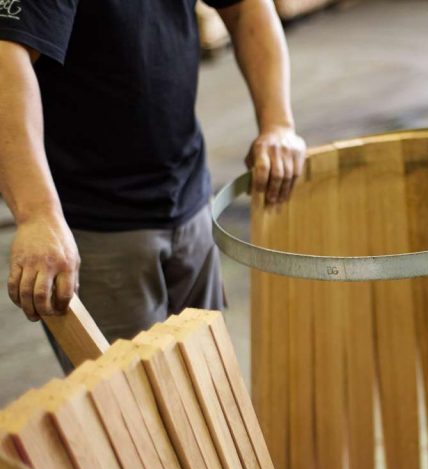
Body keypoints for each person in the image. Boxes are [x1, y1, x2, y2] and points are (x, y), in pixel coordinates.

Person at [0, 0, 305, 370]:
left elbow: (245, 8)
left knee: (209, 383)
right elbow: (7, 56)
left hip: (189, 198)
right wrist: (36, 214)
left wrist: (278, 124)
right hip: (96, 227)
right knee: (129, 400)